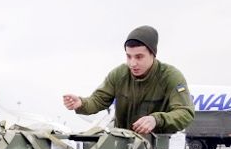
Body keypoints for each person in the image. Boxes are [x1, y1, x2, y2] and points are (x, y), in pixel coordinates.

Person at [63, 25, 194, 134]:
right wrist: (81, 103)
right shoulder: (119, 74)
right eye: (128, 56)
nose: (132, 63)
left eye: (139, 57)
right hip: (123, 148)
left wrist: (156, 119)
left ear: (152, 54)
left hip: (157, 148)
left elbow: (185, 113)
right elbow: (98, 100)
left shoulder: (170, 77)